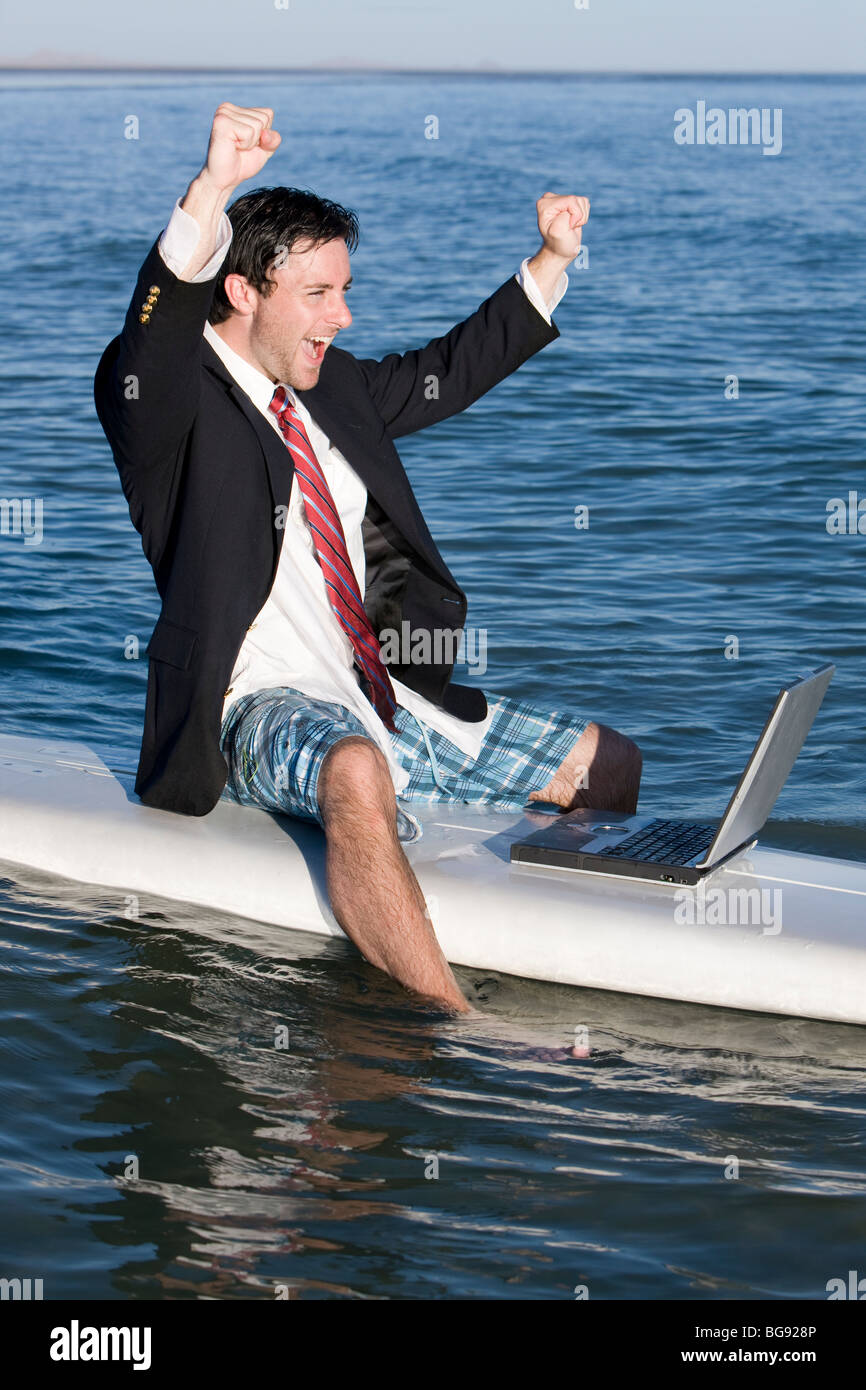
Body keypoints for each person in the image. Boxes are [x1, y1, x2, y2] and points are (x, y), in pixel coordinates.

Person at [94, 102, 641, 1016]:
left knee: (605, 760)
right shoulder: (166, 407)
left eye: (344, 292)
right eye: (319, 296)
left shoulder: (329, 383)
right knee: (355, 769)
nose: (343, 317)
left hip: (384, 688)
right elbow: (149, 333)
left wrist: (551, 261)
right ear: (242, 291)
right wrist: (213, 189)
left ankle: (577, 937)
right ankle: (453, 1021)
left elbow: (448, 371)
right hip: (255, 708)